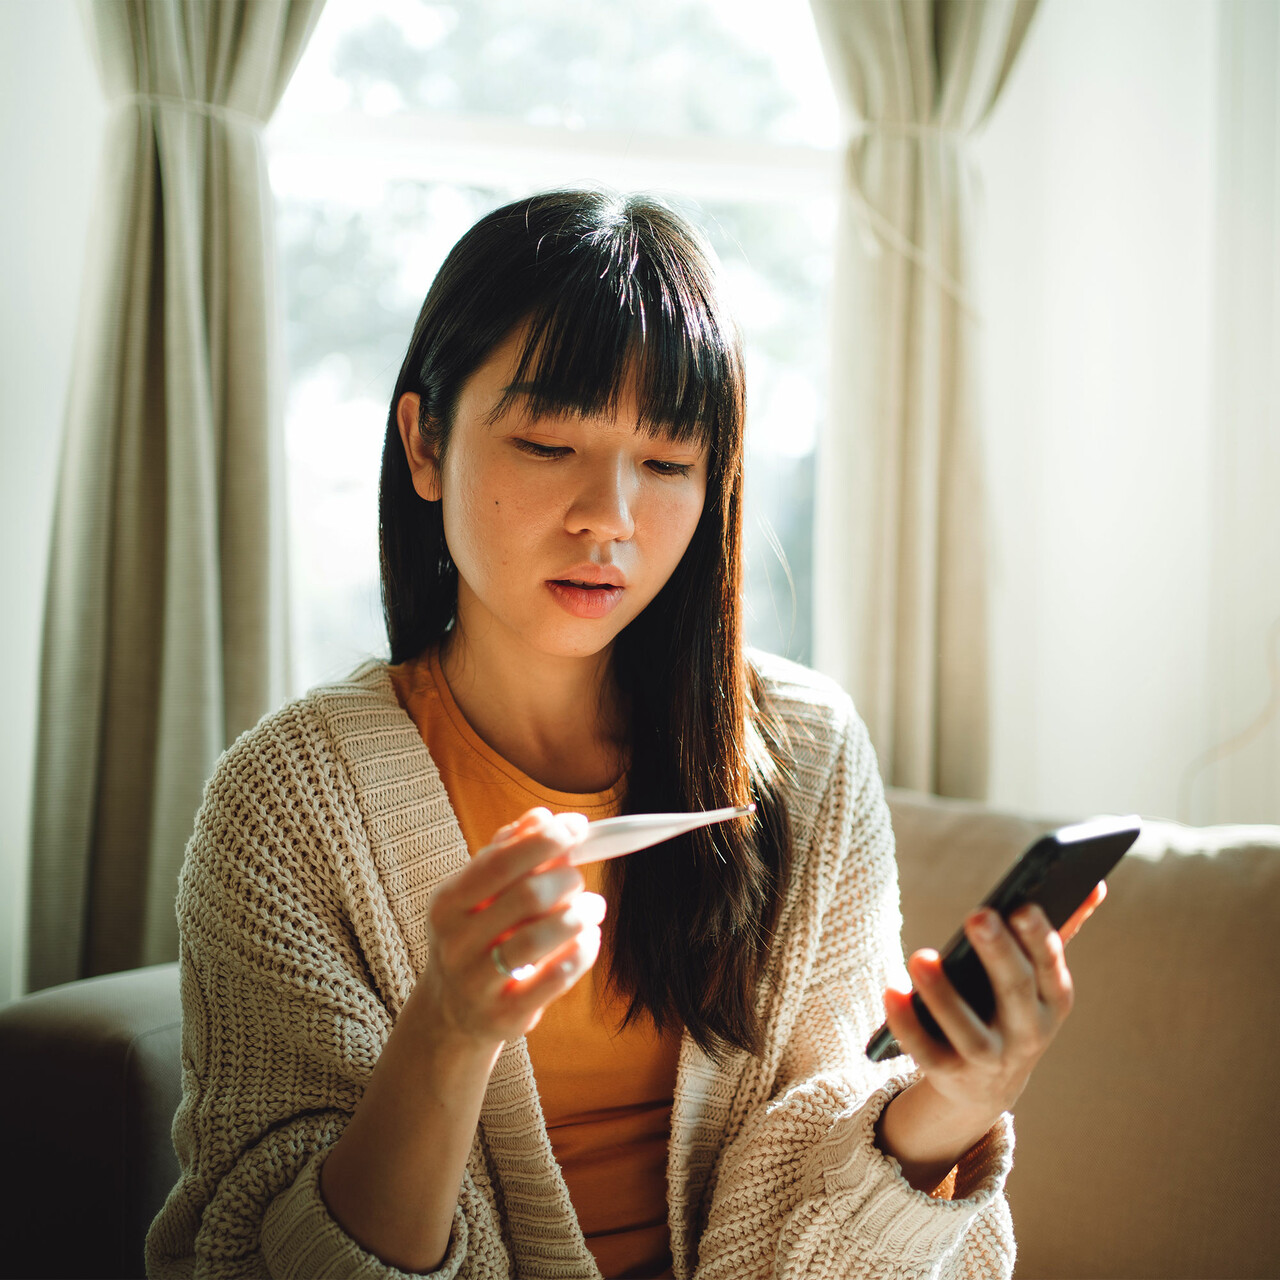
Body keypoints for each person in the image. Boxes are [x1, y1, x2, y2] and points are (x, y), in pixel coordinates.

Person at [146, 190, 1104, 1280]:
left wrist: (954, 1101)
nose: (607, 515)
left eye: (664, 461)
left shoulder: (806, 750)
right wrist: (447, 1027)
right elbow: (268, 1256)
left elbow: (825, 1222)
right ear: (423, 443)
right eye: (547, 440)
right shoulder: (288, 800)